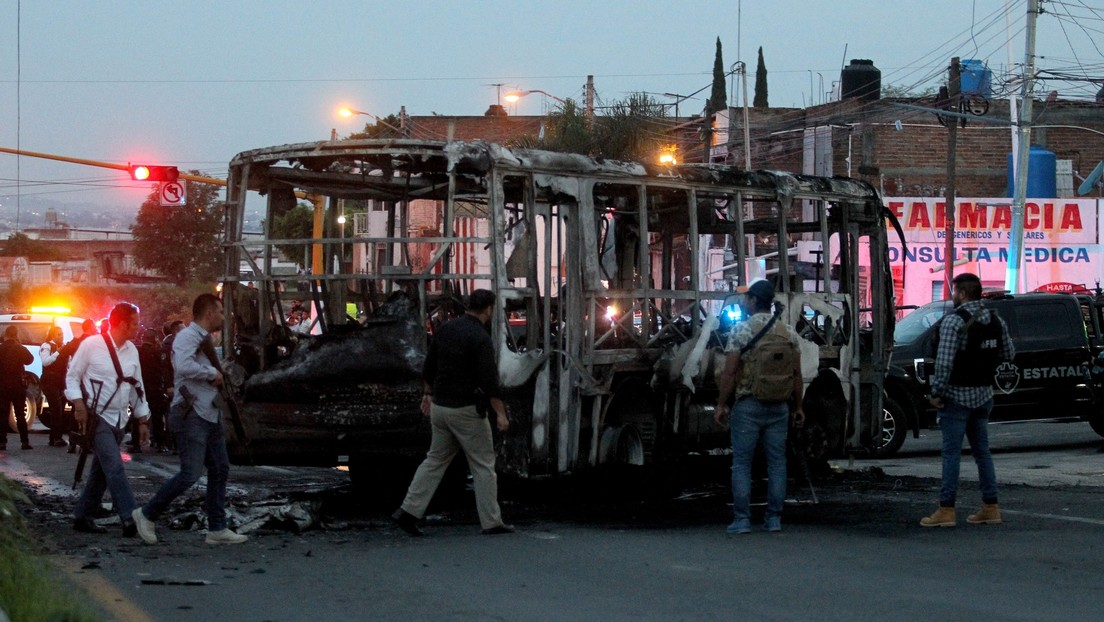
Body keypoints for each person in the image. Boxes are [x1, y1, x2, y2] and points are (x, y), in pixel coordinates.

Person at [391, 289, 514, 537]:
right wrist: (500, 414)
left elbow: (430, 365)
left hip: (440, 408)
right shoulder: (480, 337)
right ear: (488, 309)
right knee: (483, 465)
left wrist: (427, 394)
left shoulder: (446, 329)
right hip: (466, 410)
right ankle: (491, 522)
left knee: (434, 460)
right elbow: (490, 381)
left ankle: (407, 511)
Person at [133, 294, 249, 545]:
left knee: (220, 469)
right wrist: (212, 374)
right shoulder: (186, 337)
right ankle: (146, 514)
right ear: (208, 313)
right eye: (219, 312)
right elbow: (183, 367)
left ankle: (217, 529)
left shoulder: (204, 339)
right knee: (190, 474)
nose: (222, 317)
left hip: (209, 412)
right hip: (192, 414)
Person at [921, 272, 1014, 527]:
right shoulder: (996, 321)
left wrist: (937, 393)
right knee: (982, 452)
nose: (953, 296)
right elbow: (1009, 353)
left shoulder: (954, 322)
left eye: (954, 291)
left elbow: (944, 362)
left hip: (956, 397)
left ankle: (947, 509)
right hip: (984, 395)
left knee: (951, 454)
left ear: (962, 293)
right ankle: (990, 506)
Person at [714, 280, 805, 534]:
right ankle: (774, 519)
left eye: (747, 297)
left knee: (742, 463)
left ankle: (742, 520)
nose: (744, 301)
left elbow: (730, 373)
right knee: (777, 463)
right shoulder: (787, 332)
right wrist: (798, 407)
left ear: (754, 300)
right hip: (779, 406)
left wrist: (721, 404)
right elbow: (797, 374)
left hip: (749, 404)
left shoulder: (741, 331)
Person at [68, 303, 149, 537]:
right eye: (135, 323)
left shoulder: (132, 350)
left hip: (120, 420)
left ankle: (83, 515)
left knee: (101, 472)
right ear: (123, 324)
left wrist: (143, 420)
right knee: (114, 467)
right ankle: (131, 517)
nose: (137, 327)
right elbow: (72, 377)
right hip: (98, 418)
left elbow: (137, 386)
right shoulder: (91, 346)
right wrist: (78, 404)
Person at [58, 319, 99, 453]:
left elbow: (62, 355)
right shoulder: (93, 343)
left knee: (76, 411)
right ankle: (86, 443)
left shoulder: (75, 342)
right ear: (90, 327)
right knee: (89, 412)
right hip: (89, 381)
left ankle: (72, 442)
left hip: (77, 381)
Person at [0, 325, 35, 451]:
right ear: (16, 335)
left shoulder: (1, 348)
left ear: (6, 335)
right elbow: (30, 360)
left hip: (2, 386)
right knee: (20, 414)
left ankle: (2, 442)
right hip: (18, 386)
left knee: (3, 414)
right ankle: (24, 441)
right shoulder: (20, 348)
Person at [40, 326, 70, 447]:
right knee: (56, 409)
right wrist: (59, 351)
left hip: (60, 381)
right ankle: (57, 438)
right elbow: (46, 362)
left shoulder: (63, 347)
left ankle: (54, 437)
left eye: (62, 334)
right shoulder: (47, 346)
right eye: (59, 334)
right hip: (49, 381)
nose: (61, 336)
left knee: (60, 409)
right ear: (53, 335)